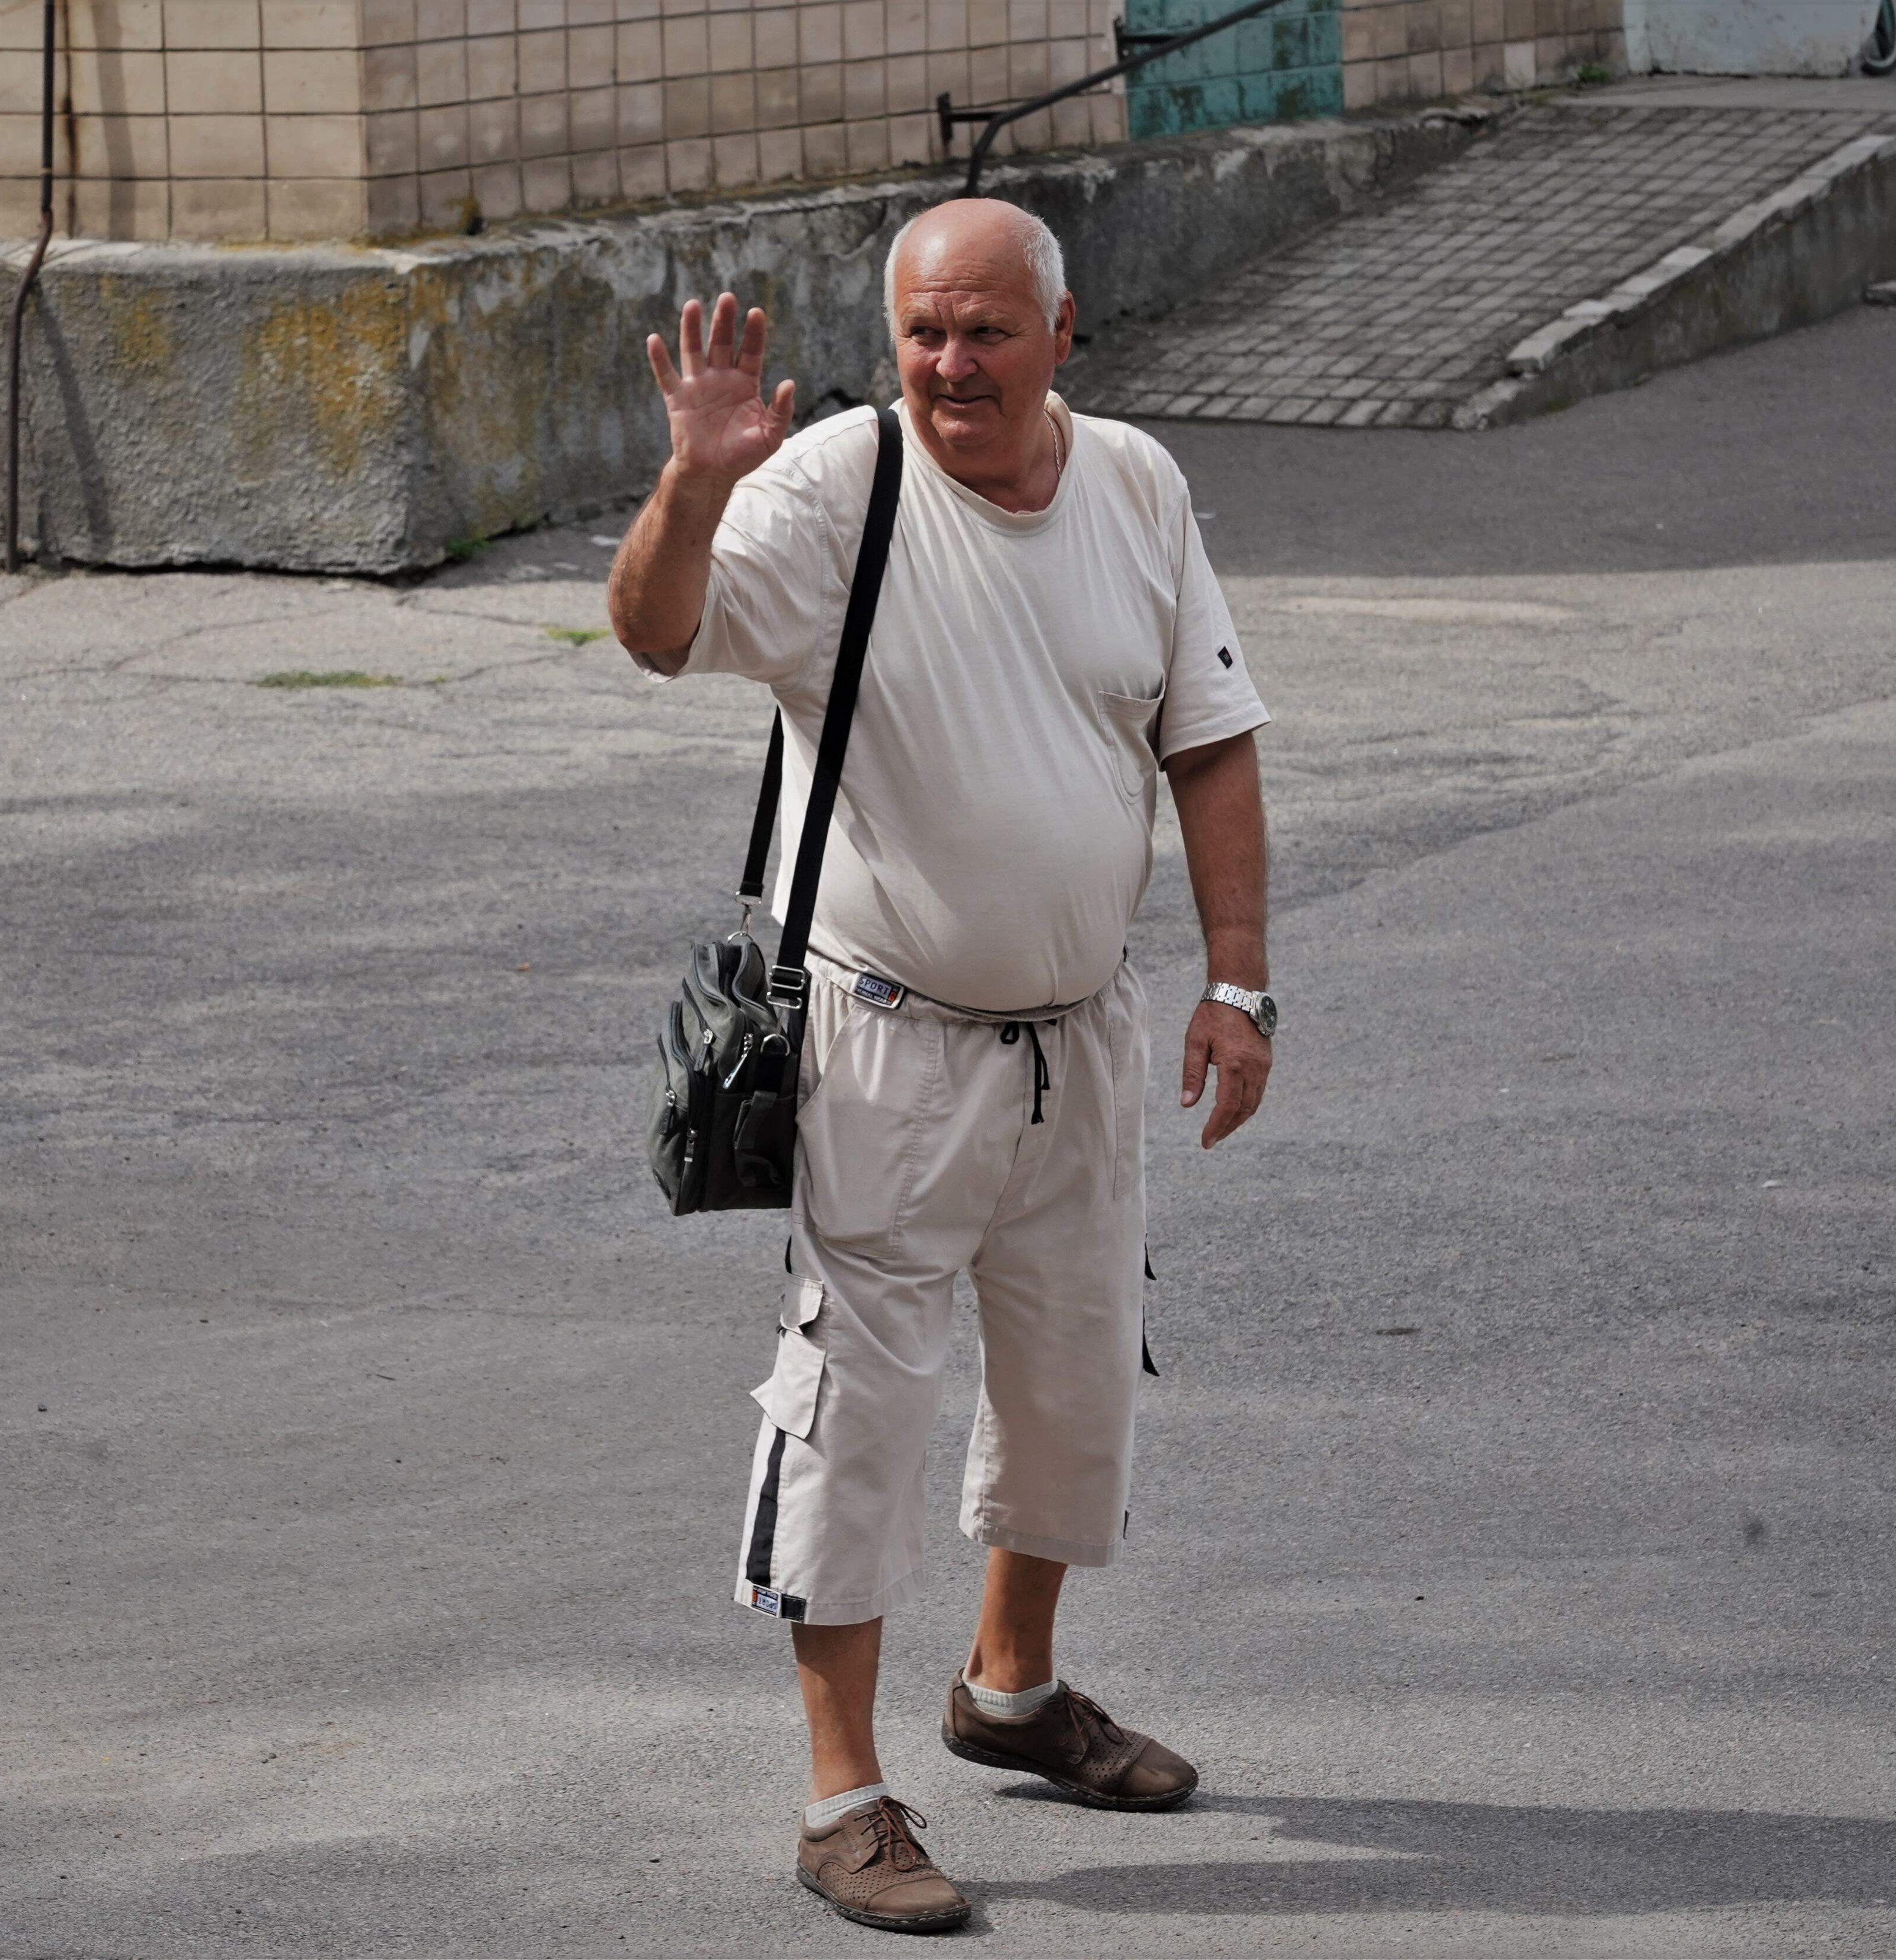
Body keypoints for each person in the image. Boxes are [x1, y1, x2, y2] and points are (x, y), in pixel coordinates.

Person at [604, 198, 1278, 1934]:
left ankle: (1010, 1692)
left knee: (1074, 1381)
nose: (951, 365)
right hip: (885, 1046)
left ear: (1066, 333)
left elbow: (1207, 738)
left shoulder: (1138, 484)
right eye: (923, 334)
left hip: (1084, 1038)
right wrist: (692, 480)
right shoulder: (837, 488)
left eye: (986, 331)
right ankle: (843, 1799)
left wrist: (1242, 985)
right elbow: (661, 634)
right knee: (855, 1409)